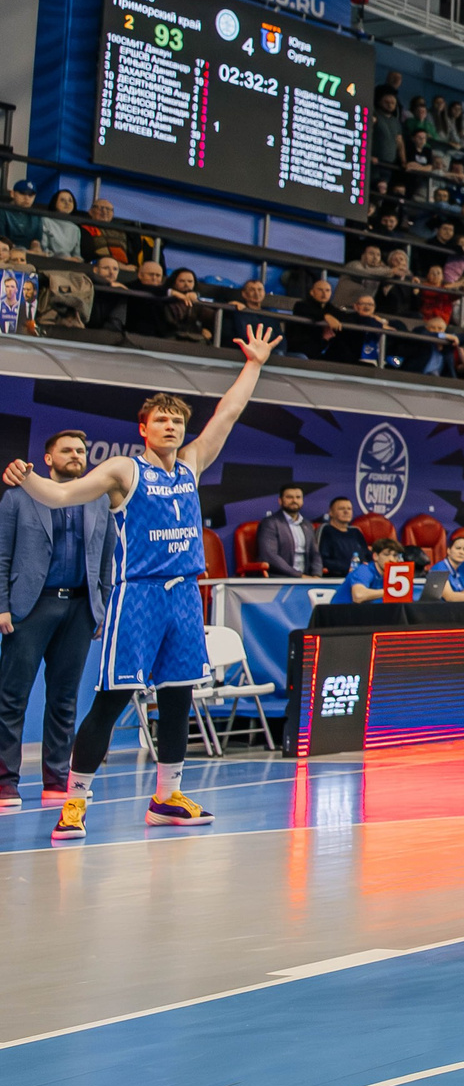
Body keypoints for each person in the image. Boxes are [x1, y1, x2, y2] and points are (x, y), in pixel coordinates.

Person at [6, 323, 282, 840]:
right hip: (139, 597)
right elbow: (62, 496)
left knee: (179, 697)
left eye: (177, 420)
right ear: (144, 429)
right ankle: (76, 800)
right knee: (112, 700)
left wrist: (255, 365)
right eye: (162, 420)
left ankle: (166, 797)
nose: (172, 427)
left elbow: (228, 413)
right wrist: (29, 479)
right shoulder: (123, 472)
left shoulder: (192, 466)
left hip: (183, 598)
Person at [0, 431, 113, 808]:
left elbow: (107, 560)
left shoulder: (100, 501)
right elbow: (1, 555)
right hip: (31, 608)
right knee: (12, 698)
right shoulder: (18, 496)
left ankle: (56, 781)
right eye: (67, 450)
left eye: (81, 450)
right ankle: (5, 783)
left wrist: (102, 607)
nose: (76, 455)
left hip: (80, 609)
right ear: (48, 459)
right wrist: (2, 605)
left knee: (64, 700)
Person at [255, 484, 317, 578]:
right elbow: (270, 556)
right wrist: (299, 575)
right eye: (289, 497)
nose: (294, 500)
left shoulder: (307, 525)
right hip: (280, 578)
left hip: (307, 579)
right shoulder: (270, 523)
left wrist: (316, 575)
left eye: (298, 497)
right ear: (280, 501)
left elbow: (316, 554)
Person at [315, 496, 368, 583]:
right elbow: (320, 559)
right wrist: (348, 568)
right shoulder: (325, 530)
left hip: (359, 579)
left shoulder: (356, 531)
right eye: (341, 508)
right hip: (334, 579)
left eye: (349, 509)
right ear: (331, 512)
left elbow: (367, 555)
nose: (346, 511)